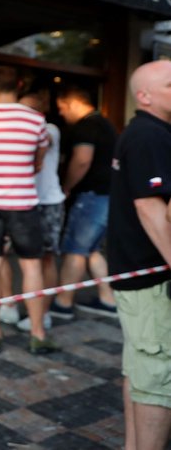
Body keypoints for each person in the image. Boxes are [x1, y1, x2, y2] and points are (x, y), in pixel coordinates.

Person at [0, 65, 56, 354]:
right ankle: (37, 333)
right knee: (31, 265)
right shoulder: (35, 120)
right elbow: (39, 159)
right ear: (19, 84)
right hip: (22, 201)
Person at [108, 60, 171, 450]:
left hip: (138, 275)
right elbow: (151, 208)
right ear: (144, 95)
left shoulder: (148, 131)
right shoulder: (150, 134)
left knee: (141, 368)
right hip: (150, 278)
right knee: (158, 375)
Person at [49, 85, 118, 319]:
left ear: (73, 103)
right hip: (106, 195)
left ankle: (63, 303)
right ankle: (108, 298)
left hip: (91, 196)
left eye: (61, 108)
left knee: (75, 249)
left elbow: (81, 160)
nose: (61, 114)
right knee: (91, 250)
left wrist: (66, 186)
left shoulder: (87, 126)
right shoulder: (105, 123)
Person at [16, 90, 66, 332]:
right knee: (27, 261)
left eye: (25, 110)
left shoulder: (50, 129)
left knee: (46, 258)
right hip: (24, 201)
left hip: (48, 202)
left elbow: (42, 146)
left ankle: (43, 314)